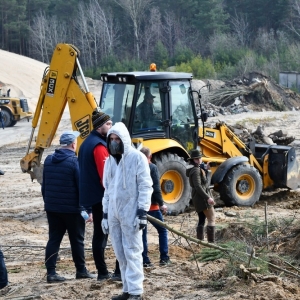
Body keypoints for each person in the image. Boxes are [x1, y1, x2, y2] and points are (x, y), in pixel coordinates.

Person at [102, 122, 153, 300]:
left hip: (131, 213)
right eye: (111, 139)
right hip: (115, 214)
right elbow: (107, 190)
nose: (114, 142)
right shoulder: (109, 162)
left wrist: (142, 211)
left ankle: (136, 291)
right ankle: (127, 289)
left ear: (124, 139)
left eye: (117, 139)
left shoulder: (137, 158)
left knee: (132, 251)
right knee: (120, 253)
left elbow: (146, 186)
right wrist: (105, 214)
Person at [42, 131, 95, 283]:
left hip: (52, 208)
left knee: (54, 239)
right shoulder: (74, 162)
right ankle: (81, 270)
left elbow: (44, 186)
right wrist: (88, 209)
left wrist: (48, 202)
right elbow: (82, 187)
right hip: (72, 210)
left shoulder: (49, 160)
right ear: (73, 144)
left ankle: (51, 273)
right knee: (77, 240)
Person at [78, 108, 113, 281]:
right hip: (101, 198)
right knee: (102, 234)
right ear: (99, 126)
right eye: (108, 124)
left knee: (99, 233)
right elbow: (104, 177)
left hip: (91, 196)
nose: (111, 126)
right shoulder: (99, 146)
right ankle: (103, 272)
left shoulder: (86, 143)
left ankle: (102, 271)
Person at [140, 147, 171, 267]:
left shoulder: (137, 167)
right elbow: (156, 188)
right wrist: (162, 204)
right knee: (162, 230)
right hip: (152, 206)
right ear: (150, 156)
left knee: (143, 233)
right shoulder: (152, 167)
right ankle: (164, 258)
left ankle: (144, 260)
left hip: (140, 207)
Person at [185, 149, 216, 243]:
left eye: (199, 158)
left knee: (202, 219)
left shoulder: (196, 169)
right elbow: (198, 186)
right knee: (212, 218)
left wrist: (206, 169)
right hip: (201, 198)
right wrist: (208, 198)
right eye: (196, 159)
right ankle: (211, 243)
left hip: (198, 197)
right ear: (192, 160)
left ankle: (200, 242)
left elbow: (202, 183)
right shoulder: (195, 170)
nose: (199, 160)